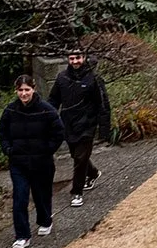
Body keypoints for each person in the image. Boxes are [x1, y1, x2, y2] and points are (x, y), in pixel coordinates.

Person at [0, 75, 65, 248]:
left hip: (41, 161)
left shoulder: (46, 110)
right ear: (16, 91)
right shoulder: (10, 111)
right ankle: (22, 235)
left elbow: (58, 132)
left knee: (41, 194)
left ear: (33, 89)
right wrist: (8, 149)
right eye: (20, 90)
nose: (24, 93)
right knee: (20, 197)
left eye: (27, 90)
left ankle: (45, 219)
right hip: (18, 162)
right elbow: (2, 133)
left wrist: (47, 149)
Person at [48, 47, 113, 206]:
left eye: (78, 58)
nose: (75, 61)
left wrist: (104, 129)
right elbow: (53, 100)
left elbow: (102, 105)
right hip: (68, 125)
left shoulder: (94, 78)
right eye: (72, 58)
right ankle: (93, 173)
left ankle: (77, 193)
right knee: (77, 156)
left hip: (87, 125)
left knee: (80, 157)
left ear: (83, 57)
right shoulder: (62, 78)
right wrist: (47, 118)